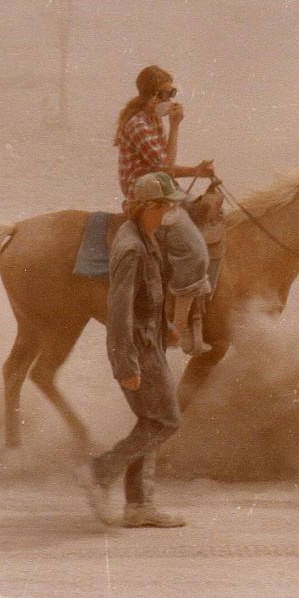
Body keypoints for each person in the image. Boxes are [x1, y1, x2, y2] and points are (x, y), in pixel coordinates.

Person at [79, 172, 190, 528]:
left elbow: (146, 300)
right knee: (167, 421)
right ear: (149, 207)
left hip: (149, 341)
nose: (172, 212)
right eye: (168, 205)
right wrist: (125, 364)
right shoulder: (131, 247)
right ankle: (101, 470)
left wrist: (165, 328)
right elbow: (119, 309)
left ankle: (139, 505)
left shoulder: (146, 237)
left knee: (151, 421)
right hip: (138, 350)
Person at [114, 65, 215, 355]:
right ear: (152, 96)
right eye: (168, 93)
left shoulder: (151, 121)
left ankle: (196, 315)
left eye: (173, 92)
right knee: (195, 252)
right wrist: (176, 126)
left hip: (161, 187)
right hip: (147, 198)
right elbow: (165, 166)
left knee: (208, 214)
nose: (172, 98)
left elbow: (165, 169)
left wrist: (197, 170)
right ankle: (179, 332)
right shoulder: (139, 125)